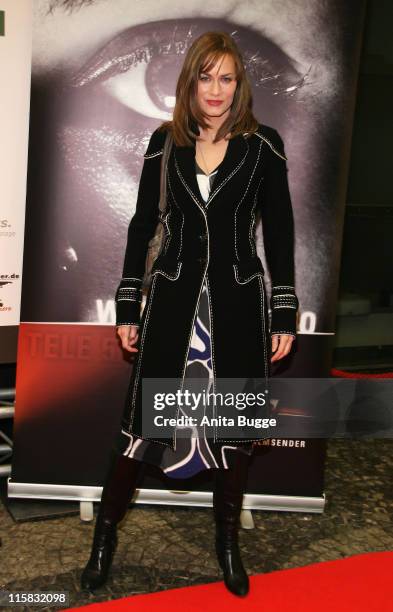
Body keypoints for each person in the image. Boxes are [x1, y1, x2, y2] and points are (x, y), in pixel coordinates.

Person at [81, 31, 298, 598]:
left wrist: (283, 312)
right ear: (191, 81)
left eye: (227, 77)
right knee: (138, 433)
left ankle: (228, 545)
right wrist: (129, 303)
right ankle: (103, 540)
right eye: (206, 76)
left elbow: (279, 232)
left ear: (240, 83)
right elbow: (141, 227)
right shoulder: (163, 143)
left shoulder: (265, 146)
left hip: (237, 310)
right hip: (174, 310)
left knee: (232, 437)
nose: (216, 89)